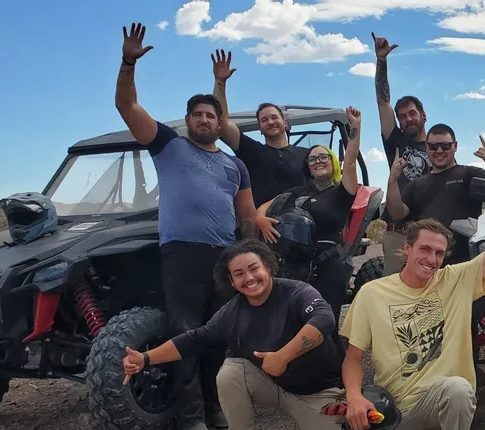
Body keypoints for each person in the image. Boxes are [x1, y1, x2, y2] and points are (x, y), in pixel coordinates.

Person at [115, 23, 277, 429]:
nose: (205, 119)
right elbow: (127, 107)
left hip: (224, 257)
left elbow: (246, 215)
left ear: (219, 123)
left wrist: (253, 256)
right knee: (185, 333)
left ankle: (215, 408)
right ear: (188, 119)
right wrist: (128, 61)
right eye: (198, 114)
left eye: (211, 115)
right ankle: (191, 418)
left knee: (217, 335)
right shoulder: (167, 145)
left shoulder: (233, 164)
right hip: (183, 253)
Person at [339, 161, 485, 430]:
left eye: (439, 253)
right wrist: (354, 397)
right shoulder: (372, 293)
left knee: (458, 389)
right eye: (425, 249)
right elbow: (353, 358)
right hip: (395, 409)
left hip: (442, 403)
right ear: (407, 249)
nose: (431, 259)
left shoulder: (456, 280)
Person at [121, 239, 348, 430]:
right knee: (230, 373)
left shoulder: (297, 292)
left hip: (319, 392)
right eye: (239, 274)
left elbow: (324, 319)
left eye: (254, 268)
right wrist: (145, 358)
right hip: (276, 386)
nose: (248, 278)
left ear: (267, 266)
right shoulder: (230, 313)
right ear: (231, 281)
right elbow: (194, 340)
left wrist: (283, 356)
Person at [255, 106, 364, 321]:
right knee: (294, 321)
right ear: (308, 167)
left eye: (323, 156)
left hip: (329, 266)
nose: (318, 161)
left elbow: (350, 160)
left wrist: (356, 126)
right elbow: (264, 207)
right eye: (312, 159)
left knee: (323, 322)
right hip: (295, 267)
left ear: (332, 161)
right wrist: (260, 220)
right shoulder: (297, 192)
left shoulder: (343, 191)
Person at [384, 124, 485, 266]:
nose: (439, 150)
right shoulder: (416, 185)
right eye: (434, 146)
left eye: (445, 146)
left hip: (466, 264)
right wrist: (392, 180)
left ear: (455, 146)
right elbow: (396, 214)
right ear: (426, 147)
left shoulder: (470, 174)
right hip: (428, 264)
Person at [211, 49, 310, 211]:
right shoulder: (252, 151)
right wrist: (220, 81)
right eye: (264, 120)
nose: (270, 122)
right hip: (262, 227)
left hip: (301, 228)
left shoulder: (307, 155)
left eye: (274, 117)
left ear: (285, 123)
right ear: (260, 129)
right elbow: (222, 124)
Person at [371, 32, 434, 276]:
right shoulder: (394, 140)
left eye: (412, 113)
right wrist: (381, 62)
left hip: (429, 234)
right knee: (394, 297)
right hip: (398, 235)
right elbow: (382, 102)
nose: (407, 119)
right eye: (403, 116)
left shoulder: (439, 147)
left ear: (423, 115)